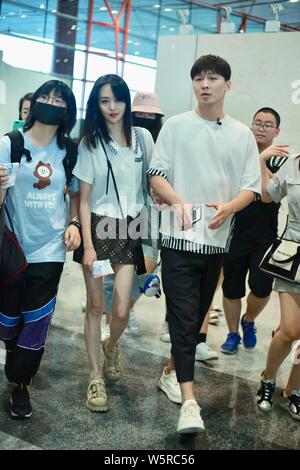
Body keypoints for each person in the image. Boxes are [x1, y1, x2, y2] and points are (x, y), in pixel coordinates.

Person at [147, 54, 261, 433]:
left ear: (227, 85)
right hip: (177, 239)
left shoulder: (241, 134)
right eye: (198, 78)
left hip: (216, 242)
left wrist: (230, 207)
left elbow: (251, 186)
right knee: (182, 320)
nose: (205, 84)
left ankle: (169, 371)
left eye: (213, 78)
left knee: (194, 318)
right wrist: (179, 203)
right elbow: (157, 174)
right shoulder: (176, 126)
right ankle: (190, 402)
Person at [72, 74, 155, 412]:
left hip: (132, 229)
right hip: (100, 230)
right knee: (95, 307)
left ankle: (113, 344)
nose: (111, 107)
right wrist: (89, 245)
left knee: (122, 308)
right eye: (104, 101)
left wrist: (151, 245)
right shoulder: (90, 142)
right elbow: (85, 200)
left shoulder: (143, 138)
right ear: (97, 104)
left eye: (117, 100)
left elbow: (148, 192)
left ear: (126, 101)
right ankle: (94, 377)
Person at [0, 79, 80, 419]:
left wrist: (75, 223)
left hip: (50, 251)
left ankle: (21, 383)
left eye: (58, 99)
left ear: (68, 111)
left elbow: (77, 195)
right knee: (7, 320)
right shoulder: (10, 143)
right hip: (12, 248)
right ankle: (11, 355)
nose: (50, 102)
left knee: (36, 320)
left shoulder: (70, 151)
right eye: (45, 96)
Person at [221, 108, 289, 354]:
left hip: (266, 236)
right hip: (235, 232)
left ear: (277, 131)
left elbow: (267, 195)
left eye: (267, 124)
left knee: (261, 288)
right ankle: (232, 333)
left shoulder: (281, 160)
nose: (261, 127)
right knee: (231, 287)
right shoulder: (239, 154)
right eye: (257, 122)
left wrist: (260, 161)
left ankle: (248, 321)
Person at [101, 91, 163, 338]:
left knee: (145, 267)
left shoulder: (156, 140)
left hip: (146, 214)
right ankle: (110, 327)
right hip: (113, 213)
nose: (146, 119)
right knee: (111, 272)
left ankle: (124, 308)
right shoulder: (111, 139)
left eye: (151, 115)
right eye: (140, 114)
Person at [256, 151, 300, 421]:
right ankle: (268, 377)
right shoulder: (293, 165)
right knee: (291, 329)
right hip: (293, 256)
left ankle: (293, 389)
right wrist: (261, 162)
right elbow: (267, 195)